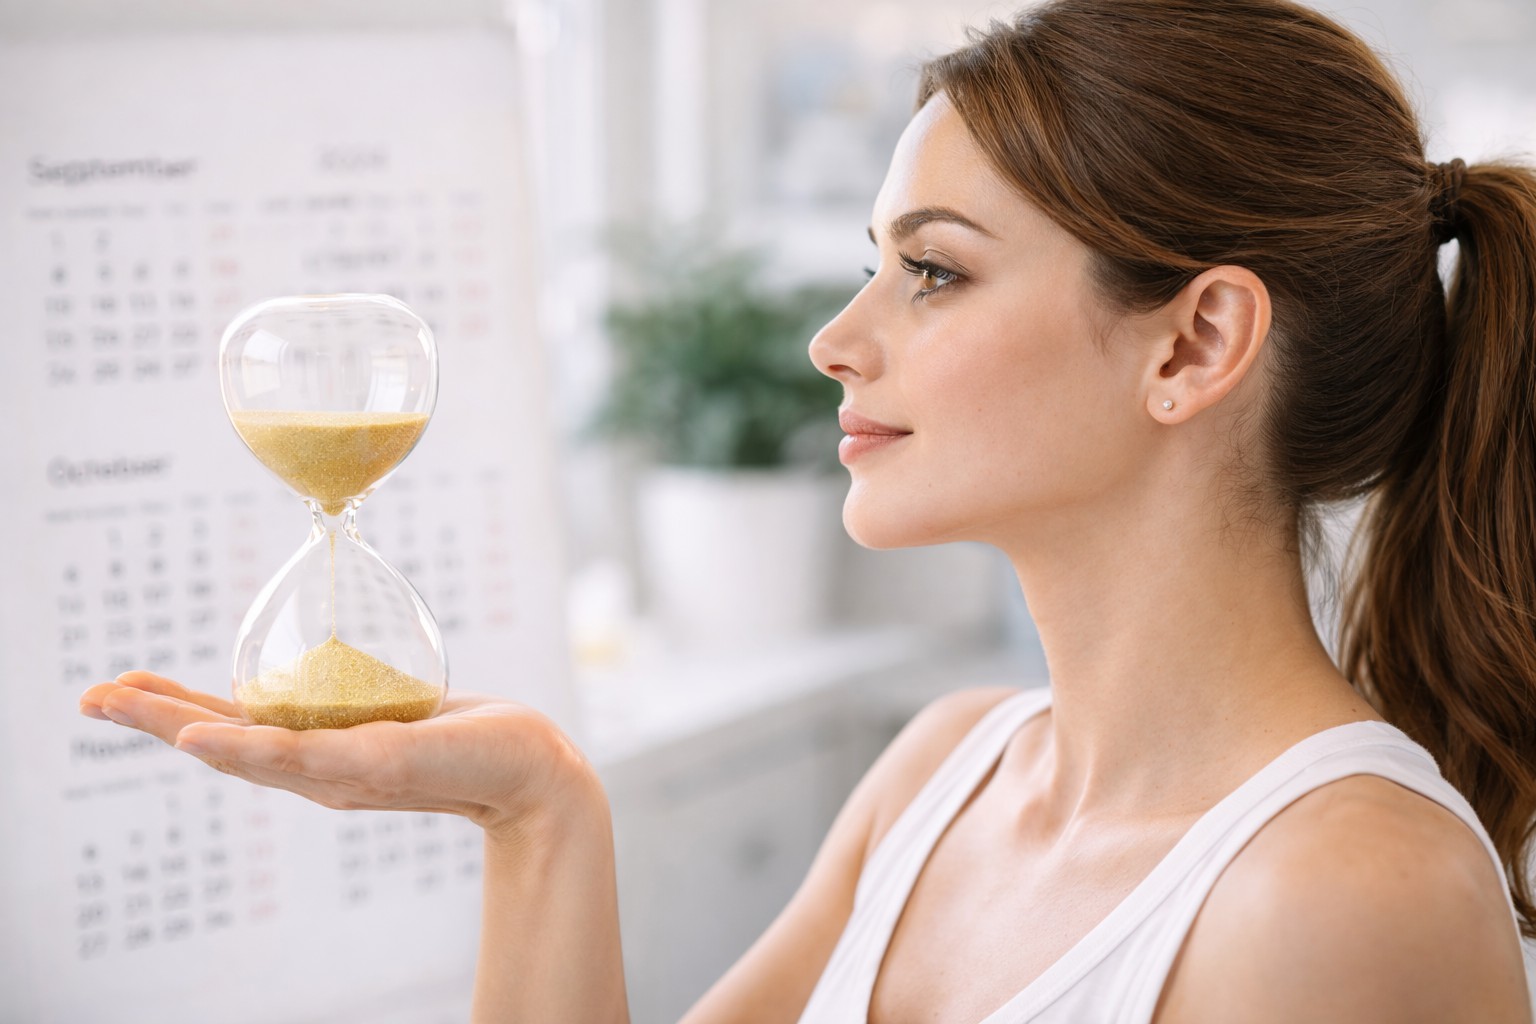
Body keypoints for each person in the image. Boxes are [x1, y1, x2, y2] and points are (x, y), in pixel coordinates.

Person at [80, 0, 1536, 1019]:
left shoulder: (1346, 897)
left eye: (937, 270)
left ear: (1194, 344)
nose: (836, 340)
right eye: (871, 263)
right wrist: (536, 812)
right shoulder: (941, 775)